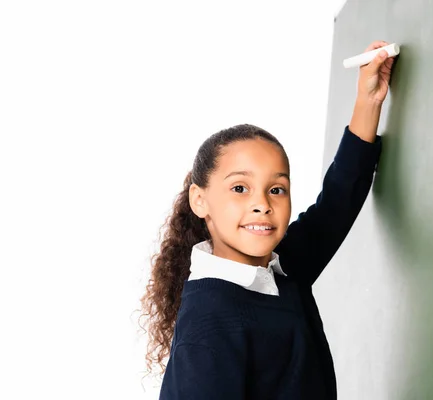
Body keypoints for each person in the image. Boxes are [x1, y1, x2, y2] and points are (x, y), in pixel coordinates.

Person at [139, 40, 396, 399]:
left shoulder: (280, 270)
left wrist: (368, 101)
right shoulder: (208, 322)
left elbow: (337, 203)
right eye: (240, 188)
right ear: (200, 200)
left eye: (276, 189)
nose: (262, 204)